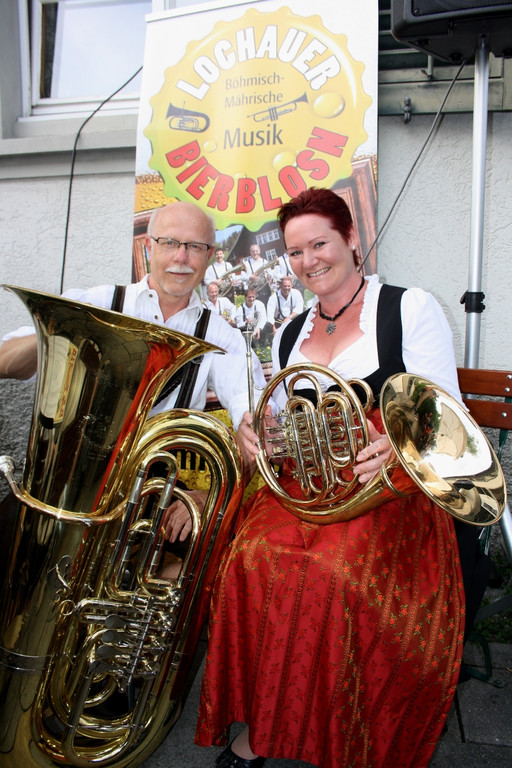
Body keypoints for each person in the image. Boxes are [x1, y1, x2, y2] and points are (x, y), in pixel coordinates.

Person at [195, 187, 466, 768]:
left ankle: (338, 726)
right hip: (307, 485)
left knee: (330, 573)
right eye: (295, 252)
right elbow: (283, 419)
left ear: (350, 239)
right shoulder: (291, 330)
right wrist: (259, 433)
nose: (308, 261)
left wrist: (398, 443)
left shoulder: (407, 307)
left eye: (319, 243)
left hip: (390, 488)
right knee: (247, 558)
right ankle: (270, 720)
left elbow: (449, 414)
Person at [0, 200, 267, 544]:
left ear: (209, 254)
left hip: (148, 485)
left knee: (205, 555)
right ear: (148, 246)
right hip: (67, 474)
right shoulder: (98, 302)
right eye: (169, 242)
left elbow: (254, 412)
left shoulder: (222, 337)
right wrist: (62, 327)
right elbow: (6, 362)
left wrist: (219, 482)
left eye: (195, 247)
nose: (181, 257)